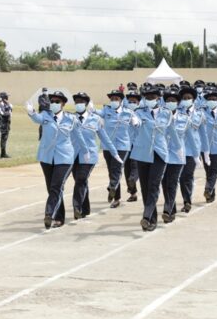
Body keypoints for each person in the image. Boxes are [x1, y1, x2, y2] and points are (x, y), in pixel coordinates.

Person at [26, 91, 88, 229]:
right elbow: (37, 118)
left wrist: (85, 151)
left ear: (63, 104)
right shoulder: (45, 115)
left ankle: (49, 214)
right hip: (47, 157)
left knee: (56, 186)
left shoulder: (71, 119)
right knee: (52, 188)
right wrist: (31, 112)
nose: (54, 103)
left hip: (65, 158)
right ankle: (59, 217)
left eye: (57, 101)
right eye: (52, 101)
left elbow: (78, 136)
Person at [71, 92, 121, 220]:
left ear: (86, 104)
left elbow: (105, 138)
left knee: (81, 179)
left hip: (89, 157)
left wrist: (115, 154)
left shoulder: (95, 119)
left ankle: (77, 207)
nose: (79, 104)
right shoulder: (70, 118)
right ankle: (85, 209)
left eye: (81, 102)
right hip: (73, 155)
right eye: (76, 102)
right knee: (80, 181)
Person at [130, 85, 172, 232]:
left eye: (152, 98)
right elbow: (135, 125)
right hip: (142, 153)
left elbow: (170, 132)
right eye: (147, 98)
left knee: (154, 185)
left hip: (159, 153)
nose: (149, 100)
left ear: (158, 98)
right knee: (145, 187)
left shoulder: (166, 113)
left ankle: (146, 216)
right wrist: (135, 123)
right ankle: (151, 219)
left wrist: (178, 152)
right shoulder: (138, 113)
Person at [94, 89, 136, 208]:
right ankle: (116, 197)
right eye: (111, 99)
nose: (113, 101)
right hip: (108, 146)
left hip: (123, 146)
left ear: (121, 100)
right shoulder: (106, 110)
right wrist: (91, 110)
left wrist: (136, 122)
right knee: (111, 171)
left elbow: (137, 124)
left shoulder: (128, 112)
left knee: (116, 168)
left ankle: (112, 187)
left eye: (116, 99)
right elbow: (98, 113)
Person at [160, 88, 189, 224]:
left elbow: (191, 139)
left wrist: (197, 155)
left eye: (173, 101)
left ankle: (167, 210)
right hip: (162, 154)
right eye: (168, 101)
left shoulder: (184, 118)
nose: (170, 102)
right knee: (164, 183)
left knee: (172, 183)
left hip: (177, 155)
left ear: (178, 103)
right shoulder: (159, 117)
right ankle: (172, 208)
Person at [178, 85, 205, 214]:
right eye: (184, 98)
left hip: (193, 149)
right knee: (180, 177)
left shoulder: (199, 114)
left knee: (187, 176)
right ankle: (186, 197)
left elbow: (203, 133)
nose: (186, 99)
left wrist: (205, 152)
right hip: (178, 149)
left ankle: (187, 201)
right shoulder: (177, 113)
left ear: (193, 99)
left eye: (189, 98)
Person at [0, 92, 13, 158]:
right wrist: (9, 111)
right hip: (3, 124)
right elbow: (3, 113)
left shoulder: (6, 103)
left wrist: (9, 108)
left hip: (7, 123)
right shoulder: (1, 104)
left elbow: (10, 111)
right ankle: (3, 153)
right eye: (6, 96)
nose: (7, 98)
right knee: (3, 138)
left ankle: (4, 152)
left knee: (5, 138)